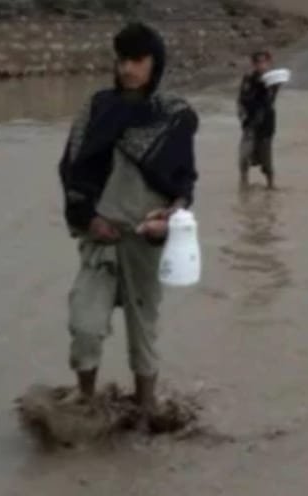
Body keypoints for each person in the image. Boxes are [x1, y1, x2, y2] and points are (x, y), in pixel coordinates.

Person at [58, 22, 199, 415]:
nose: (128, 69)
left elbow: (184, 184)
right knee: (85, 323)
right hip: (101, 234)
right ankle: (86, 394)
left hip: (146, 237)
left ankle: (146, 404)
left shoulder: (174, 116)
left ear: (156, 63)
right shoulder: (97, 108)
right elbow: (72, 170)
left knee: (143, 328)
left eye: (137, 59)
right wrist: (88, 217)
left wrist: (168, 219)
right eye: (122, 59)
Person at [237, 50, 281, 190]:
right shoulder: (249, 79)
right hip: (250, 123)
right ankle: (244, 183)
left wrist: (264, 85)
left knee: (266, 158)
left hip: (266, 124)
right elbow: (242, 99)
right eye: (258, 62)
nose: (261, 65)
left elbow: (269, 99)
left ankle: (271, 184)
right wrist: (242, 116)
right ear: (254, 64)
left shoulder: (273, 80)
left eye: (264, 62)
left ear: (269, 63)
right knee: (244, 155)